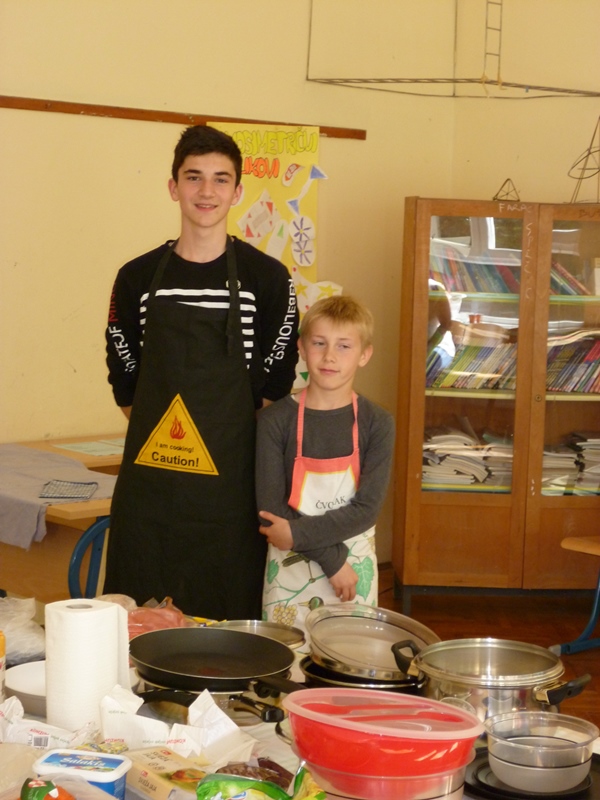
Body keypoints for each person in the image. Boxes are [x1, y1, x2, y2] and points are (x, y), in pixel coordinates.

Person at [103, 125, 299, 619]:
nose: (206, 191)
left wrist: (222, 432)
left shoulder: (268, 279)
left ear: (237, 191)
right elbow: (123, 370)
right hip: (150, 491)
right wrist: (167, 433)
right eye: (193, 177)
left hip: (231, 492)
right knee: (139, 622)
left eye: (220, 179)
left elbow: (278, 376)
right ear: (174, 187)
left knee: (224, 625)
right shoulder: (136, 277)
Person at [256, 295, 395, 633]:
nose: (330, 356)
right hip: (290, 572)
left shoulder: (378, 423)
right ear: (302, 348)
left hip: (353, 572)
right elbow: (271, 512)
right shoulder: (274, 421)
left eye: (344, 346)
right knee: (287, 659)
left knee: (347, 657)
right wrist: (333, 562)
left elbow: (366, 509)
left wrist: (299, 535)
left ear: (364, 355)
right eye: (319, 343)